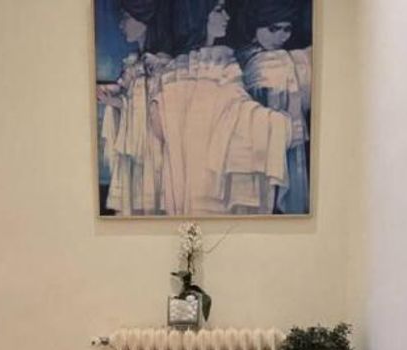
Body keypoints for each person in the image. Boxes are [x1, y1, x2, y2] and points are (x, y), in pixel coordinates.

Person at [150, 0, 292, 215]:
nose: (227, 16)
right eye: (218, 10)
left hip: (203, 181)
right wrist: (278, 124)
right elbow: (159, 125)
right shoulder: (197, 66)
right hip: (194, 178)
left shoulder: (211, 64)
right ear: (197, 14)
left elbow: (237, 109)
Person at [236, 0, 311, 214]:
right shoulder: (243, 57)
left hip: (283, 142)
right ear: (256, 26)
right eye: (273, 29)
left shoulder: (283, 60)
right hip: (252, 144)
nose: (281, 37)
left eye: (287, 29)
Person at [98, 0, 170, 215]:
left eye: (126, 18)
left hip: (151, 150)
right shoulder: (133, 64)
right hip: (136, 150)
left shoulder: (159, 65)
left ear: (143, 21)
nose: (121, 25)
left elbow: (146, 110)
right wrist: (109, 94)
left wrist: (115, 101)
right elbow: (125, 93)